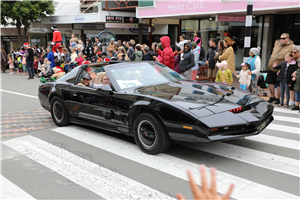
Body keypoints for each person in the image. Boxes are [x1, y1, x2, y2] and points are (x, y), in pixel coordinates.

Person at [266, 33, 295, 104]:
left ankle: (278, 98)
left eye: (283, 38)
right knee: (270, 82)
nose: (281, 40)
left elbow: (292, 58)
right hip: (272, 67)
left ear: (288, 38)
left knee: (279, 83)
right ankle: (272, 96)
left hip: (281, 68)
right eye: (281, 38)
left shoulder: (292, 46)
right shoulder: (278, 44)